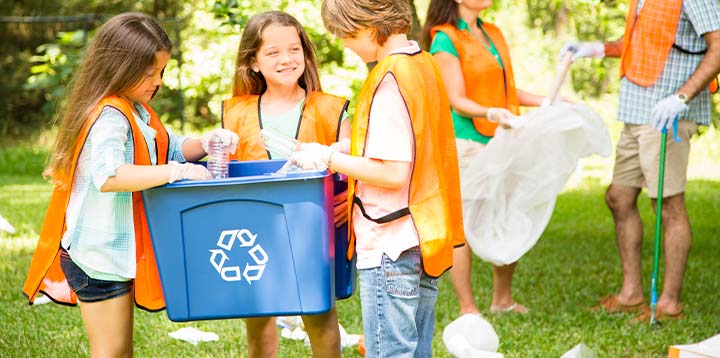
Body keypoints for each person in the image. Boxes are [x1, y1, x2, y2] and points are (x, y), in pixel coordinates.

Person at [22, 12, 238, 357]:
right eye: (150, 73)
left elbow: (168, 145)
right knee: (111, 351)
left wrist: (207, 142)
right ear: (120, 68)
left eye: (162, 71)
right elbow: (110, 176)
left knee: (122, 350)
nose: (159, 81)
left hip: (111, 255)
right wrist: (176, 172)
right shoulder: (110, 115)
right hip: (96, 257)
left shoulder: (134, 109)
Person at [291, 0, 465, 356]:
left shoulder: (388, 79)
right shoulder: (423, 64)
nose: (344, 44)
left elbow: (393, 172)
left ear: (367, 26)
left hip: (391, 245)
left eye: (345, 34)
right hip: (424, 235)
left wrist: (329, 157)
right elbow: (413, 144)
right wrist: (350, 145)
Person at [561, 0, 720, 322]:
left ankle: (669, 304)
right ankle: (631, 295)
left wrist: (681, 98)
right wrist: (595, 49)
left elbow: (717, 47)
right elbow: (641, 45)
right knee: (618, 197)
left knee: (667, 205)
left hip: (667, 113)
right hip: (637, 110)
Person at [222, 11, 349, 358]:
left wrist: (350, 198)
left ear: (306, 54)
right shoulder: (235, 112)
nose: (286, 59)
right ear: (253, 62)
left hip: (311, 230)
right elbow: (225, 175)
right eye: (273, 52)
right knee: (259, 322)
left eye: (294, 49)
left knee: (320, 319)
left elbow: (355, 166)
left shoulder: (329, 108)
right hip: (254, 229)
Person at [422, 0, 549, 316]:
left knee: (507, 214)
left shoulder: (492, 33)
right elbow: (457, 99)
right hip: (467, 143)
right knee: (462, 226)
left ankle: (502, 300)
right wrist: (491, 112)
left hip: (502, 140)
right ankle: (468, 308)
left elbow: (506, 91)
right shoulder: (445, 39)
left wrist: (547, 101)